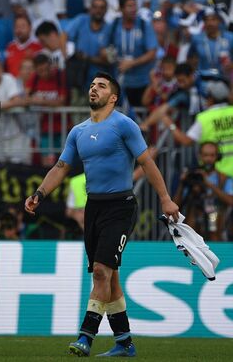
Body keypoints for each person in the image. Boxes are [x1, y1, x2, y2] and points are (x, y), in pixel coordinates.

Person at [25, 72, 179, 357]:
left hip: (120, 206)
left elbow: (146, 162)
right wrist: (39, 193)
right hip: (93, 207)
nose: (94, 89)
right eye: (92, 85)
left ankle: (86, 336)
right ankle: (124, 342)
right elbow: (60, 167)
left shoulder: (124, 125)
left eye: (102, 86)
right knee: (111, 277)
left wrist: (166, 200)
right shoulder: (78, 131)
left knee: (100, 271)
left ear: (113, 97)